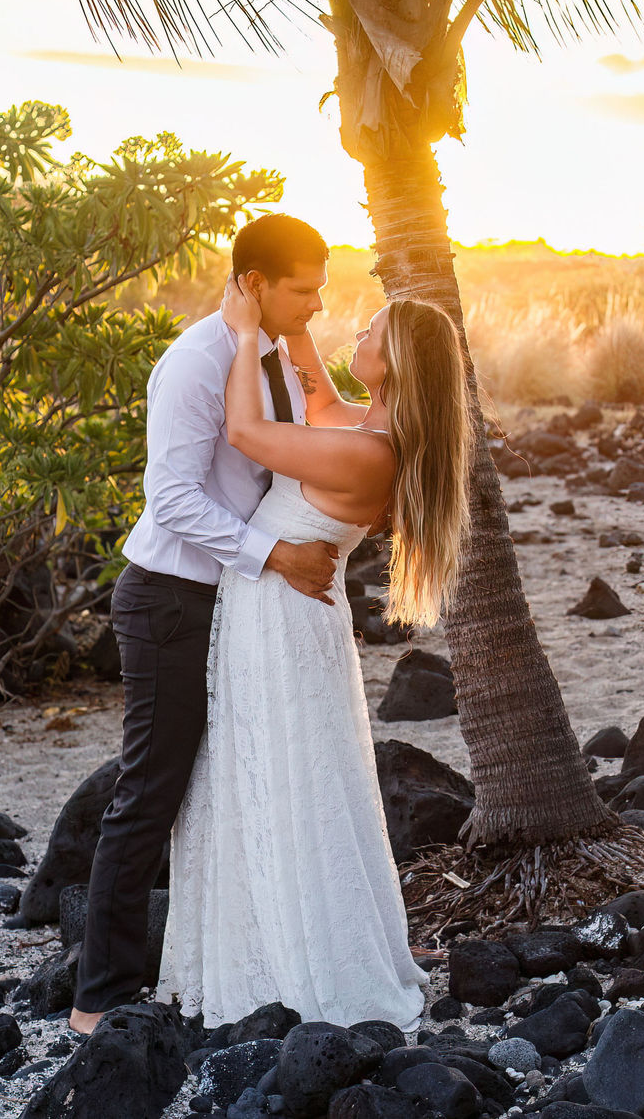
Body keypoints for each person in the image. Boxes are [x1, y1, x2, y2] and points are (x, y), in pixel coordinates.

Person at [157, 281, 473, 1028]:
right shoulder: (368, 431)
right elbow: (326, 406)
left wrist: (242, 333)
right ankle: (271, 941)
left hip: (283, 624)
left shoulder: (367, 456)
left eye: (370, 327)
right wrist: (294, 329)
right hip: (282, 618)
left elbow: (245, 431)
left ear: (392, 360)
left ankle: (302, 967)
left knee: (290, 778)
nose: (353, 329)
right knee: (281, 773)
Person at [70, 214, 344, 1035]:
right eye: (305, 286)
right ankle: (99, 997)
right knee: (149, 791)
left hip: (237, 608)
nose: (321, 302)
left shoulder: (282, 362)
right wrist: (277, 557)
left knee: (224, 788)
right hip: (169, 601)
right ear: (256, 283)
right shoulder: (195, 361)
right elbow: (173, 498)